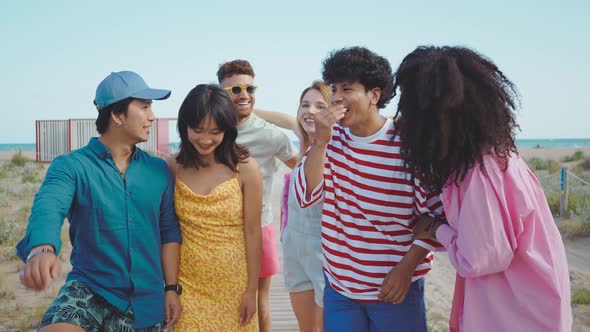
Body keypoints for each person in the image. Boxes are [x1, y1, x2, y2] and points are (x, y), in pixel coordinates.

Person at [395, 46, 572, 332]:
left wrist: (434, 228)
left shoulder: (478, 171)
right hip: (529, 304)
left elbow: (481, 258)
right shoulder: (493, 156)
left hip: (516, 315)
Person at [293, 46, 445, 332]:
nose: (336, 97)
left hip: (395, 288)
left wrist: (405, 270)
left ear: (374, 95)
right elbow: (305, 196)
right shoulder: (331, 138)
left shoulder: (407, 145)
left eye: (347, 89)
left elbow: (434, 215)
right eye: (334, 88)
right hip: (340, 289)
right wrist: (321, 143)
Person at [16, 71, 182, 331]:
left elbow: (169, 230)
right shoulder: (70, 166)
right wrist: (41, 249)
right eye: (145, 107)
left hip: (147, 303)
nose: (152, 116)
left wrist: (171, 288)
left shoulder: (159, 170)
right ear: (116, 115)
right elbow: (49, 205)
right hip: (90, 290)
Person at [168, 84, 262, 331]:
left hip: (235, 288)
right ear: (184, 126)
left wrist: (252, 290)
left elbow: (253, 231)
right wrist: (169, 289)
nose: (205, 139)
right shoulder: (172, 167)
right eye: (197, 130)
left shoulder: (246, 168)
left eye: (215, 131)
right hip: (188, 286)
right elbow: (166, 230)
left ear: (227, 130)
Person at [217, 59, 299, 332]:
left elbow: (303, 171)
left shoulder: (272, 135)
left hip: (260, 226)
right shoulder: (210, 130)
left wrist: (291, 122)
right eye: (235, 90)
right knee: (224, 299)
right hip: (219, 230)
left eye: (250, 88)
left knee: (259, 300)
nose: (244, 94)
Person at [257, 81, 331, 332]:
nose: (310, 111)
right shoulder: (304, 140)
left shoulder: (335, 147)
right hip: (295, 249)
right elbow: (286, 119)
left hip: (324, 253)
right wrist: (243, 108)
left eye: (321, 106)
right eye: (305, 105)